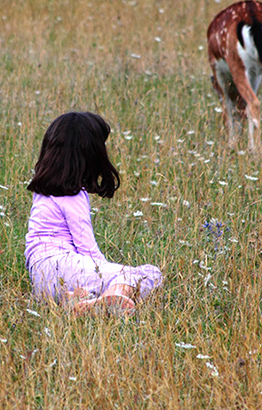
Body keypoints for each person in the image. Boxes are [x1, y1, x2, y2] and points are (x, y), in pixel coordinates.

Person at [24, 112, 163, 315]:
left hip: (40, 276)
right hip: (63, 265)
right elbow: (87, 248)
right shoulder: (73, 194)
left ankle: (77, 299)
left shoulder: (43, 190)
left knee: (100, 280)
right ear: (91, 154)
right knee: (148, 274)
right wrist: (109, 271)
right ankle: (113, 296)